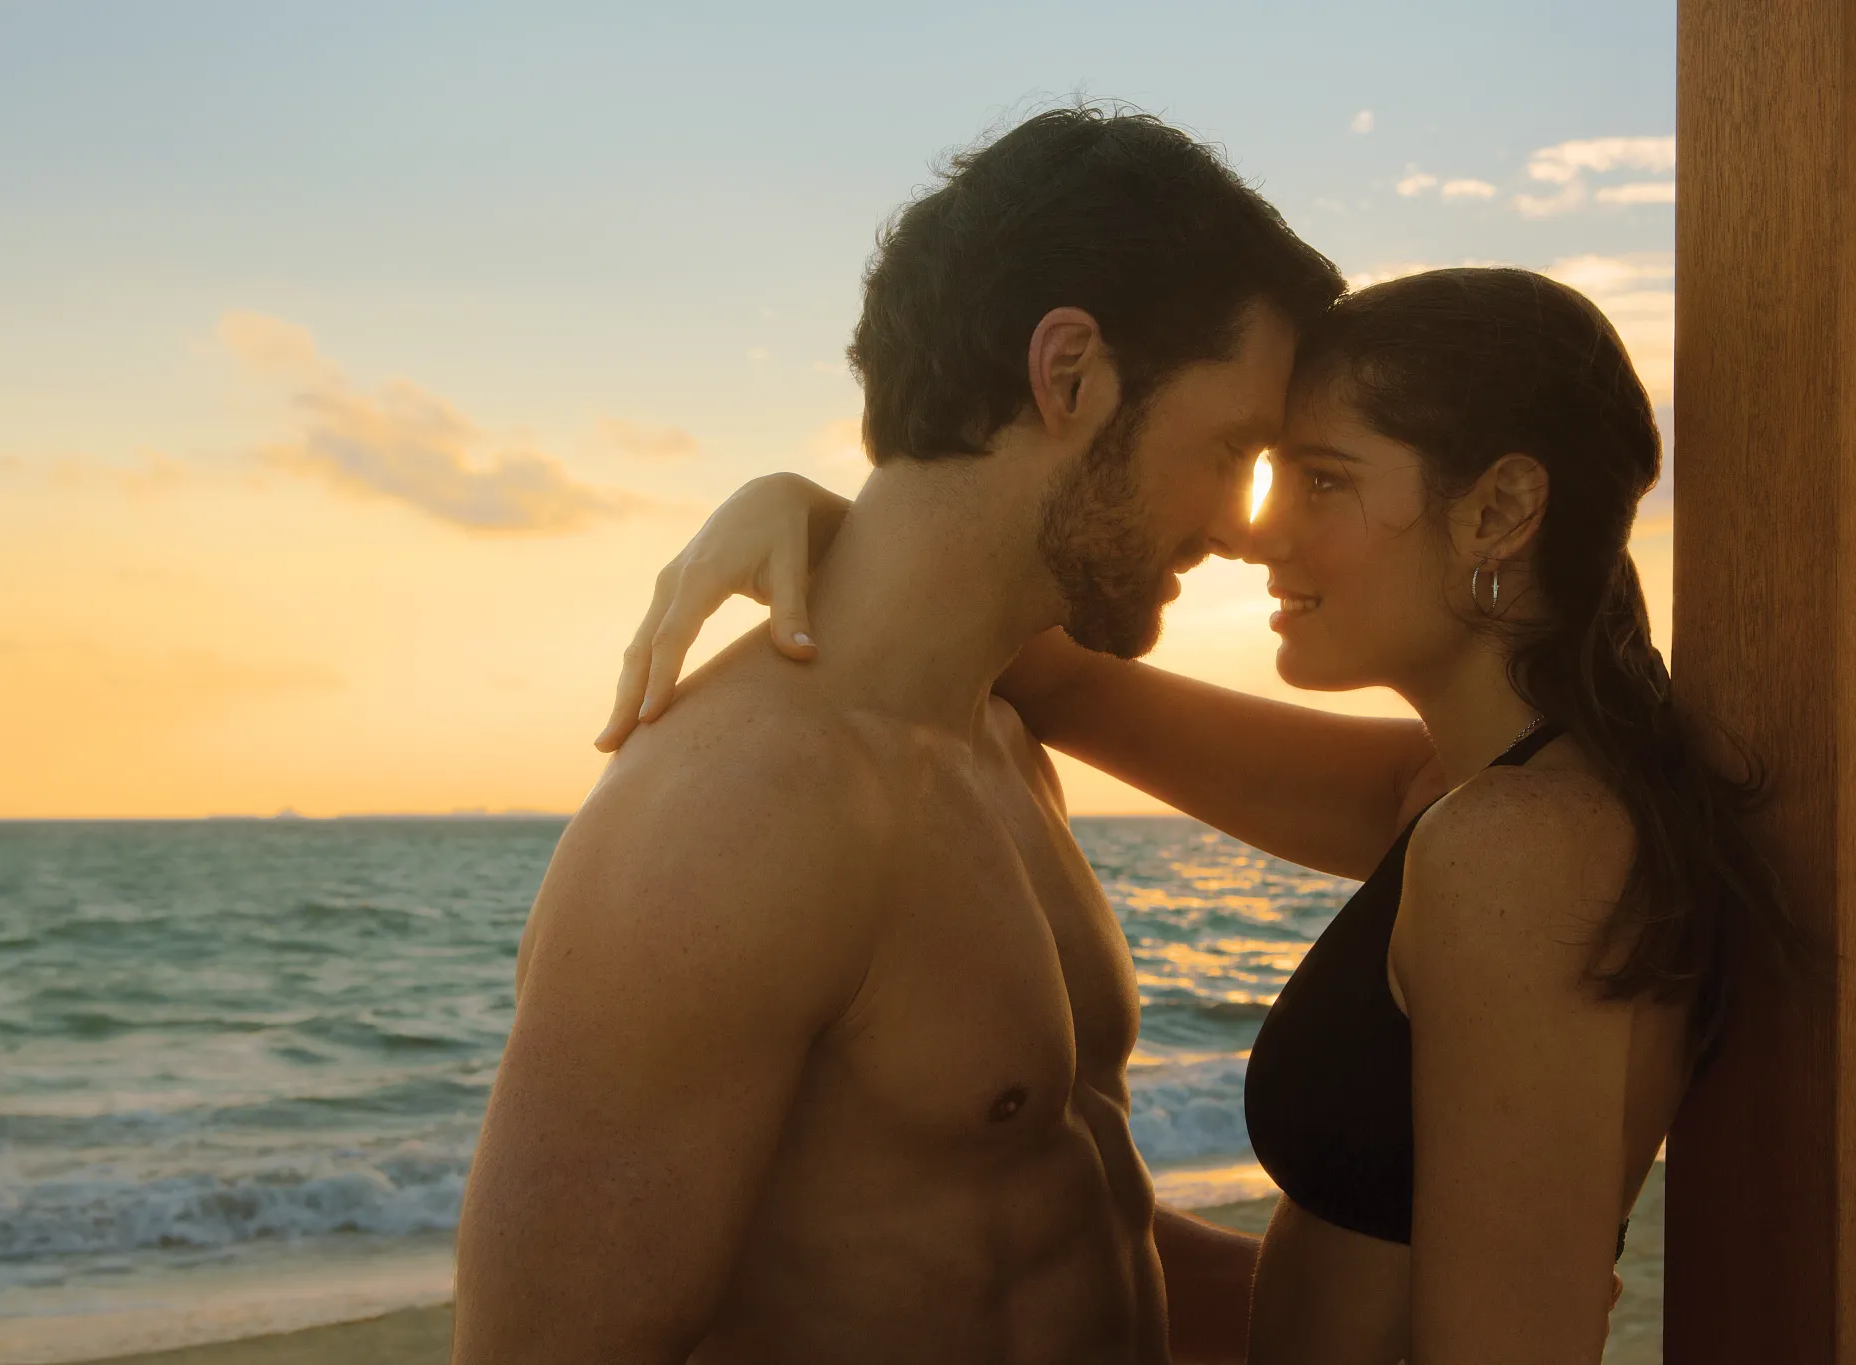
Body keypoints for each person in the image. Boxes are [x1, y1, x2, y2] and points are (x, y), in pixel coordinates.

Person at [599, 267, 1820, 1363]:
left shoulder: (1526, 845)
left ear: (1500, 508)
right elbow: (1056, 677)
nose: (1256, 533)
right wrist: (801, 507)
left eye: (1325, 480)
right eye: (1274, 472)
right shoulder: (1460, 792)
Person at [449, 105, 1345, 1365]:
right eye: (1234, 448)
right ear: (1069, 372)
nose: (1249, 527)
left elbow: (1052, 1226)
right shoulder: (738, 810)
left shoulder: (996, 735)